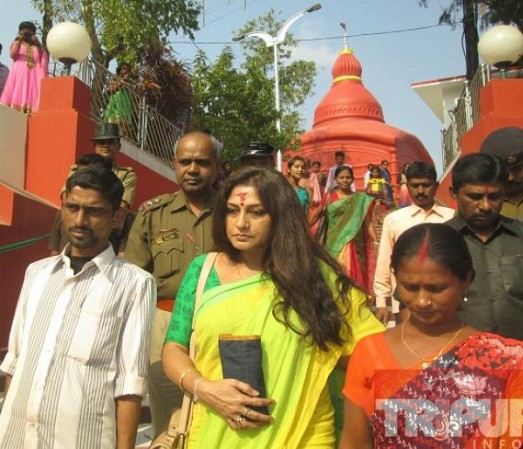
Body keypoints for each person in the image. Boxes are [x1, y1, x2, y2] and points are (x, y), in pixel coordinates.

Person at [161, 167, 382, 449]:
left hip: (303, 437)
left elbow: (368, 353)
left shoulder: (316, 277)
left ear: (280, 216)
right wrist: (204, 388)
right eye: (231, 211)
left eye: (256, 213)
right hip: (213, 432)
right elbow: (173, 349)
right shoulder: (203, 271)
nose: (241, 223)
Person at [340, 223, 523, 449]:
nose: (422, 301)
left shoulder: (504, 359)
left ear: (467, 280)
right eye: (410, 287)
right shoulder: (370, 352)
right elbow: (354, 441)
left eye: (436, 288)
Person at [0, 168, 156, 449]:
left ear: (117, 218)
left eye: (94, 211)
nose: (80, 220)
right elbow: (15, 362)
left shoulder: (135, 284)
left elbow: (129, 384)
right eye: (72, 208)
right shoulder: (36, 274)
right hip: (15, 437)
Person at [124, 131, 218, 435]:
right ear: (174, 164)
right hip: (164, 324)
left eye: (202, 162)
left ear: (216, 166)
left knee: (217, 408)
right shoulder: (153, 214)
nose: (193, 169)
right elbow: (135, 279)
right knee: (168, 417)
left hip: (220, 321)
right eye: (185, 162)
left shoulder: (234, 212)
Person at [445, 153, 523, 356]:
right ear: (454, 193)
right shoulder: (438, 243)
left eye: (494, 196)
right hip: (463, 369)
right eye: (474, 197)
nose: (485, 206)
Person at [373, 162, 454, 324]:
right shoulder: (394, 220)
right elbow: (384, 261)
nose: (420, 191)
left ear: (436, 186)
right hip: (405, 304)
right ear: (407, 187)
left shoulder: (452, 218)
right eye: (415, 186)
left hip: (445, 303)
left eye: (426, 185)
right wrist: (381, 302)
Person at [321, 165, 377, 294]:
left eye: (348, 178)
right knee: (333, 274)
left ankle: (356, 303)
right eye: (341, 177)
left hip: (354, 243)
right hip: (332, 243)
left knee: (354, 274)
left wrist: (375, 240)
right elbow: (321, 218)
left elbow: (367, 222)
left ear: (352, 180)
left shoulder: (360, 199)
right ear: (336, 179)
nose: (345, 180)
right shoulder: (329, 197)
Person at [64, 123, 137, 210]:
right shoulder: (78, 169)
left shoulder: (127, 175)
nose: (106, 146)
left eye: (110, 142)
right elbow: (66, 196)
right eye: (101, 142)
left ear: (119, 146)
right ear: (95, 146)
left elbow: (122, 205)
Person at [0, 21, 48, 113]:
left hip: (34, 77)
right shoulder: (18, 43)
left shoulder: (38, 47)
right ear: (20, 31)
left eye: (29, 31)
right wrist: (19, 40)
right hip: (19, 75)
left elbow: (44, 64)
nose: (27, 33)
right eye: (24, 30)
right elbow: (12, 55)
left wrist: (38, 44)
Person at [104, 62, 134, 135]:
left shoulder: (130, 81)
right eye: (123, 69)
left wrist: (124, 82)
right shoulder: (114, 79)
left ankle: (119, 135)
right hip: (115, 100)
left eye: (127, 69)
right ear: (120, 70)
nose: (125, 71)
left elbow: (133, 87)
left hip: (124, 102)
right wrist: (122, 82)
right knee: (111, 120)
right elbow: (111, 89)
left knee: (121, 122)